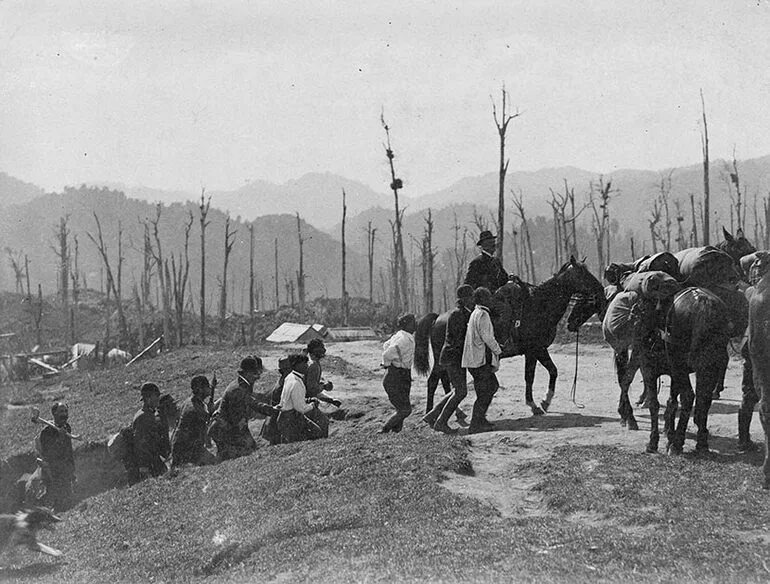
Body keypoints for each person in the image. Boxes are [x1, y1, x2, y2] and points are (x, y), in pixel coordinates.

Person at [422, 285, 475, 434]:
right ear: (464, 299)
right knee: (461, 392)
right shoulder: (457, 314)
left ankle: (432, 414)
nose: (472, 300)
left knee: (457, 390)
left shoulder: (462, 312)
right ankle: (441, 422)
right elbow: (459, 338)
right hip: (453, 357)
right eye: (470, 297)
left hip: (455, 356)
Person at [212, 356, 276, 460]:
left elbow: (251, 402)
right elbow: (237, 421)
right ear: (247, 373)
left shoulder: (243, 384)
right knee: (238, 455)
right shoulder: (238, 389)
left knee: (250, 449)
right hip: (224, 430)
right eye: (255, 374)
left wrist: (270, 409)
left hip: (229, 426)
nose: (258, 377)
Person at [462, 287, 502, 433]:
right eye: (489, 297)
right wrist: (498, 350)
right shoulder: (483, 314)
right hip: (479, 360)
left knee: (486, 388)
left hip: (473, 359)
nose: (491, 300)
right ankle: (476, 423)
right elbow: (487, 337)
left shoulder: (475, 312)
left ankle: (479, 420)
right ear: (483, 299)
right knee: (489, 388)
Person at [464, 230, 513, 346]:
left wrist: (511, 279)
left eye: (493, 241)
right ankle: (502, 340)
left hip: (496, 297)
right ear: (483, 245)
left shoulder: (495, 261)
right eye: (490, 242)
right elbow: (468, 283)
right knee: (505, 310)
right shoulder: (476, 262)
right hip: (483, 300)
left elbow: (504, 279)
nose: (493, 244)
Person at [380, 313, 417, 433]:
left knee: (401, 408)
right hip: (397, 376)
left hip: (399, 374)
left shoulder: (399, 335)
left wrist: (389, 364)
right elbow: (387, 353)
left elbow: (385, 345)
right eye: (413, 322)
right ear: (406, 325)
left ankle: (396, 432)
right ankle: (384, 429)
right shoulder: (404, 339)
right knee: (405, 410)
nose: (415, 324)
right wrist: (386, 363)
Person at [170, 375, 217, 467]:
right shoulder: (195, 409)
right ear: (200, 390)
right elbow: (205, 432)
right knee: (214, 463)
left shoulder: (191, 402)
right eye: (207, 387)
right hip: (187, 450)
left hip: (182, 448)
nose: (209, 389)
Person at [38, 402, 76, 511]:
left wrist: (72, 469)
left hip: (66, 468)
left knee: (69, 498)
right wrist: (59, 438)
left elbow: (69, 450)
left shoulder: (67, 427)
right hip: (53, 471)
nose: (64, 414)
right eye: (61, 412)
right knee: (58, 500)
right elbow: (49, 455)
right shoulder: (46, 432)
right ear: (54, 414)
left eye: (66, 411)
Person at [276, 353, 320, 443]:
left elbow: (293, 399)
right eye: (304, 363)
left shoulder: (290, 377)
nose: (307, 366)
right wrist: (312, 405)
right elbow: (300, 408)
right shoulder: (296, 383)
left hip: (286, 416)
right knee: (314, 434)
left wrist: (308, 400)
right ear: (297, 365)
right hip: (291, 419)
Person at [132, 382, 171, 480]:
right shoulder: (142, 417)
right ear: (148, 398)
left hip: (155, 459)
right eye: (156, 395)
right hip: (148, 464)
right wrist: (144, 468)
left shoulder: (151, 414)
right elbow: (140, 446)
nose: (158, 398)